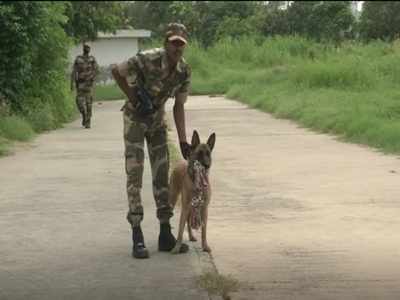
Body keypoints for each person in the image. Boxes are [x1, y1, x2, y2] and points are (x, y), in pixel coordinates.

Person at [111, 23, 192, 259]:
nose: (177, 47)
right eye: (174, 42)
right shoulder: (147, 58)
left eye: (181, 44)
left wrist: (184, 140)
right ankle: (137, 235)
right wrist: (134, 97)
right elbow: (117, 70)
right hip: (135, 119)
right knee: (135, 174)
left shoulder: (184, 71)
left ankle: (165, 234)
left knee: (162, 174)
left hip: (157, 121)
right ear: (166, 42)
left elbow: (179, 105)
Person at [71, 42, 99, 129]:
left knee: (89, 104)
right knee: (79, 102)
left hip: (89, 85)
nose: (87, 49)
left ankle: (88, 121)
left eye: (88, 47)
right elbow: (74, 72)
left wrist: (92, 77)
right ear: (83, 49)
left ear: (90, 49)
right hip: (80, 84)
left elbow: (97, 70)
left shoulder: (92, 59)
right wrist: (71, 83)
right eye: (85, 47)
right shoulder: (78, 59)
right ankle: (84, 115)